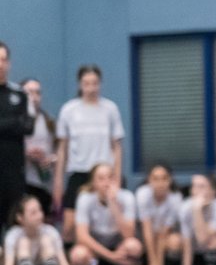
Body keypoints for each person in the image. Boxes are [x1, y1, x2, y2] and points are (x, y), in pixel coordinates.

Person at [53, 65, 124, 243]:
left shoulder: (110, 109)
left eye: (95, 83)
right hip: (78, 172)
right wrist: (58, 181)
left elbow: (116, 146)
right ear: (80, 84)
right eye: (86, 83)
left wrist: (116, 178)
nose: (91, 88)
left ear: (100, 84)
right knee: (69, 226)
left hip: (103, 174)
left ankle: (101, 264)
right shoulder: (69, 110)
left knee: (105, 223)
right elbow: (62, 148)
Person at [69, 163, 143, 265]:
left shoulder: (126, 197)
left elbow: (129, 234)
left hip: (118, 245)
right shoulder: (85, 198)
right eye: (101, 178)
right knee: (78, 255)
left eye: (110, 177)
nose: (106, 183)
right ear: (93, 182)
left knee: (134, 246)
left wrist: (113, 204)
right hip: (96, 249)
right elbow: (82, 236)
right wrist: (111, 256)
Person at [3, 195, 72, 265]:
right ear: (20, 217)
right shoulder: (14, 235)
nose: (39, 216)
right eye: (33, 213)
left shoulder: (50, 232)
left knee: (46, 241)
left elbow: (63, 262)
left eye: (40, 210)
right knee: (23, 242)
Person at [135, 163, 185, 265]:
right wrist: (153, 263)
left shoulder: (175, 198)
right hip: (144, 238)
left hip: (164, 240)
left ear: (170, 180)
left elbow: (164, 233)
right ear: (149, 180)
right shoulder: (142, 194)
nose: (160, 183)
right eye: (155, 178)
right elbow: (146, 228)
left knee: (175, 241)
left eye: (164, 178)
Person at [0, 42, 35, 237]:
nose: (0, 64)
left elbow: (28, 127)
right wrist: (13, 123)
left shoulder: (20, 94)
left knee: (14, 228)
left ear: (9, 63)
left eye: (4, 59)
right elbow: (18, 124)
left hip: (14, 174)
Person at [21, 77, 56, 215]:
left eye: (37, 93)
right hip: (23, 182)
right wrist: (27, 155)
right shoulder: (16, 122)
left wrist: (51, 159)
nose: (34, 97)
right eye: (29, 92)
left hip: (45, 183)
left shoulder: (49, 121)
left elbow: (59, 153)